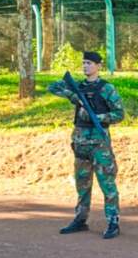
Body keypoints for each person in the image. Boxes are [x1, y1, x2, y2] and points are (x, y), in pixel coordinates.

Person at [48, 51, 124, 239]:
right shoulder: (78, 87)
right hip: (80, 142)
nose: (85, 66)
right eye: (83, 63)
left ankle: (113, 221)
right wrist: (72, 95)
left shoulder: (106, 88)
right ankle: (80, 219)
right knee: (82, 183)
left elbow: (119, 114)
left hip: (99, 144)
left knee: (107, 183)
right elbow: (52, 87)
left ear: (99, 66)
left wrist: (99, 116)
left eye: (89, 63)